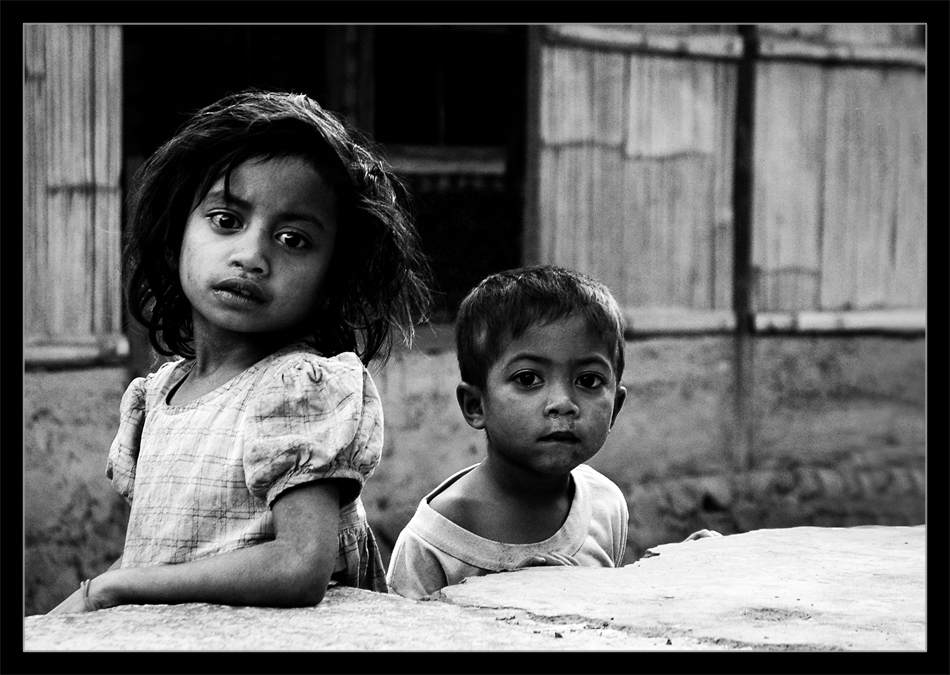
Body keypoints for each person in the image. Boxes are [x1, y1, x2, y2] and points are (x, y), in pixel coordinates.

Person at [49, 90, 432, 613]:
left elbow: (299, 566)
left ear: (330, 280)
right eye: (227, 221)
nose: (252, 256)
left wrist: (115, 589)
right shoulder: (161, 393)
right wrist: (89, 599)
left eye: (293, 239)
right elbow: (162, 560)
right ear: (176, 237)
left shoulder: (296, 389)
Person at [386, 266, 718, 600]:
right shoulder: (433, 544)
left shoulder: (605, 505)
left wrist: (667, 577)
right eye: (528, 379)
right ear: (476, 405)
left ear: (615, 408)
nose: (562, 404)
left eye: (588, 381)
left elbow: (609, 617)